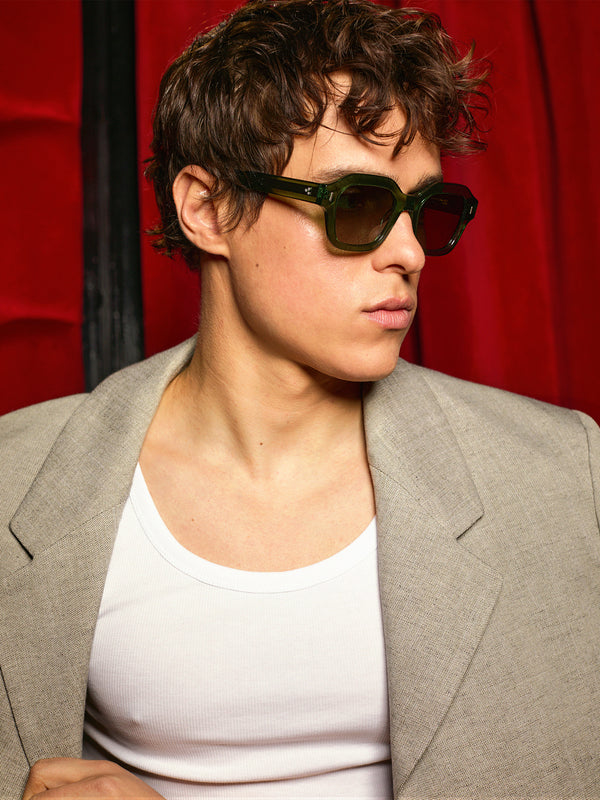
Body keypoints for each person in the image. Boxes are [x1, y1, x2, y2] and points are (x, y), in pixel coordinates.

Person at [1, 0, 599, 797]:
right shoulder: (17, 479)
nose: (410, 252)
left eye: (426, 210)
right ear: (208, 209)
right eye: (358, 205)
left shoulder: (565, 475)